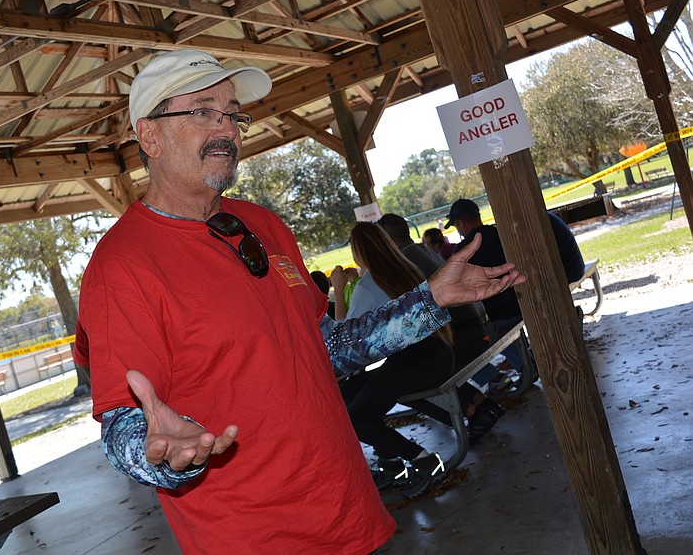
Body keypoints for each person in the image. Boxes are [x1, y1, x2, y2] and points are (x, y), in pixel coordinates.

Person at [78, 49, 525, 554]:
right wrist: (160, 454)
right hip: (254, 536)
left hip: (347, 508)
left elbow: (324, 348)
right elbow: (123, 427)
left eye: (232, 114)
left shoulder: (262, 225)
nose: (226, 129)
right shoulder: (122, 266)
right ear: (149, 134)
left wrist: (429, 300)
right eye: (203, 111)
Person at [332, 222, 452, 498]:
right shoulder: (404, 268)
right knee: (352, 390)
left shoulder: (367, 285)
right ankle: (390, 462)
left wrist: (338, 291)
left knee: (355, 418)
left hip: (415, 363)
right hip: (437, 353)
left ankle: (423, 460)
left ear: (357, 253)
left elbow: (345, 344)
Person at [379, 214, 504, 444]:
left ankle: (469, 414)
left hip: (464, 336)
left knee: (403, 381)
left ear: (386, 241)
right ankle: (479, 403)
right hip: (477, 327)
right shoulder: (421, 250)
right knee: (420, 365)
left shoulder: (403, 262)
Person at [445, 199, 584, 383]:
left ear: (461, 223)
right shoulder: (499, 233)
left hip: (501, 314)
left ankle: (525, 366)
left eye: (456, 226)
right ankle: (531, 357)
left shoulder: (462, 250)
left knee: (485, 329)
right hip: (523, 298)